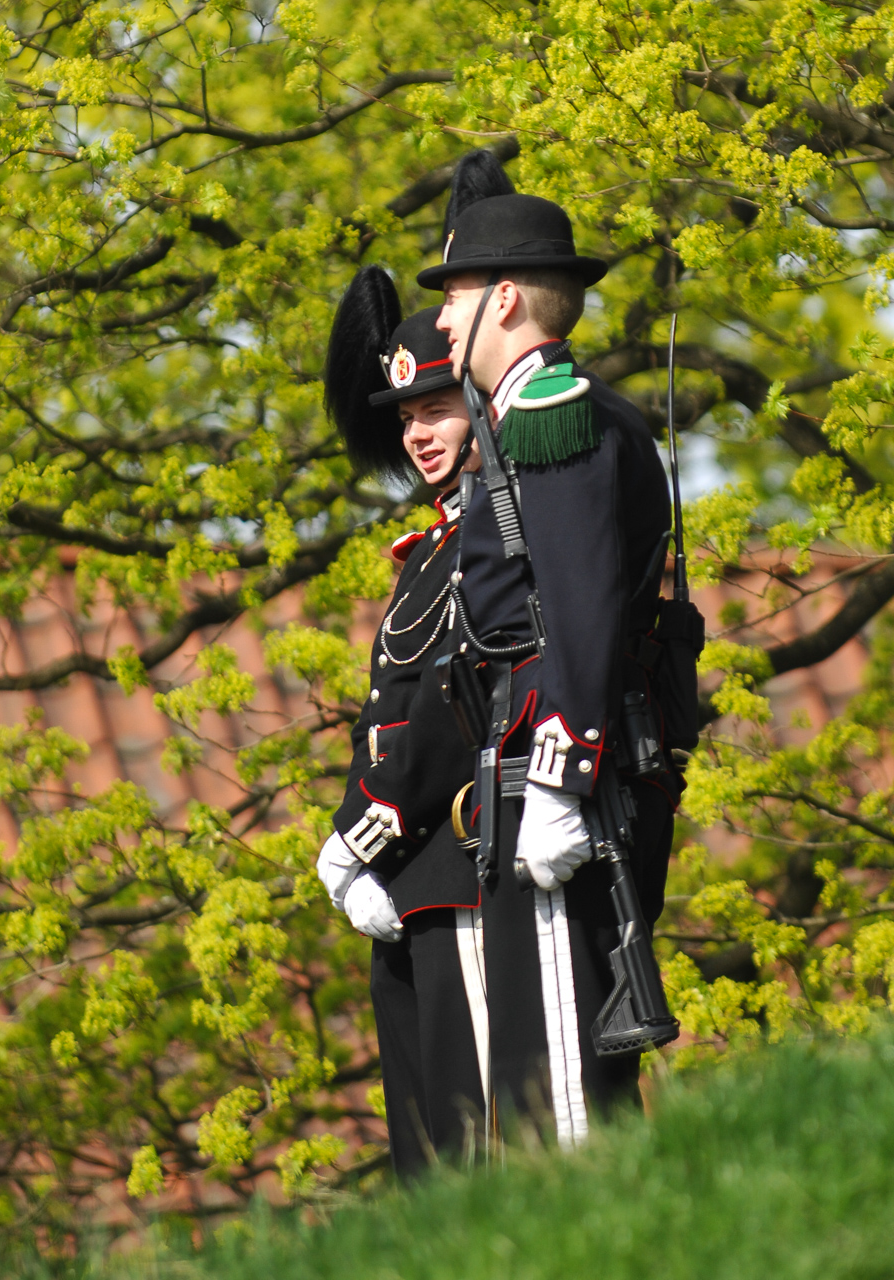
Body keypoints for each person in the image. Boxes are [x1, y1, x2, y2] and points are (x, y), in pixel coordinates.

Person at [415, 187, 682, 1147]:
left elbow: (578, 606)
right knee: (537, 1074)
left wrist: (563, 777)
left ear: (507, 301)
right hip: (529, 768)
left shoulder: (550, 412)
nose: (443, 313)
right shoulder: (519, 416)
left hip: (559, 776)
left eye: (456, 290)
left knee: (564, 1090)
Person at [312, 158, 517, 1176]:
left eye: (436, 408)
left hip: (467, 860)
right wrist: (355, 841)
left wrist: (359, 833)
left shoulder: (498, 521)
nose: (421, 434)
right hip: (411, 878)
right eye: (405, 418)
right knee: (426, 1162)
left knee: (480, 1147)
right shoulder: (430, 547)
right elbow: (382, 713)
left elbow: (445, 705)